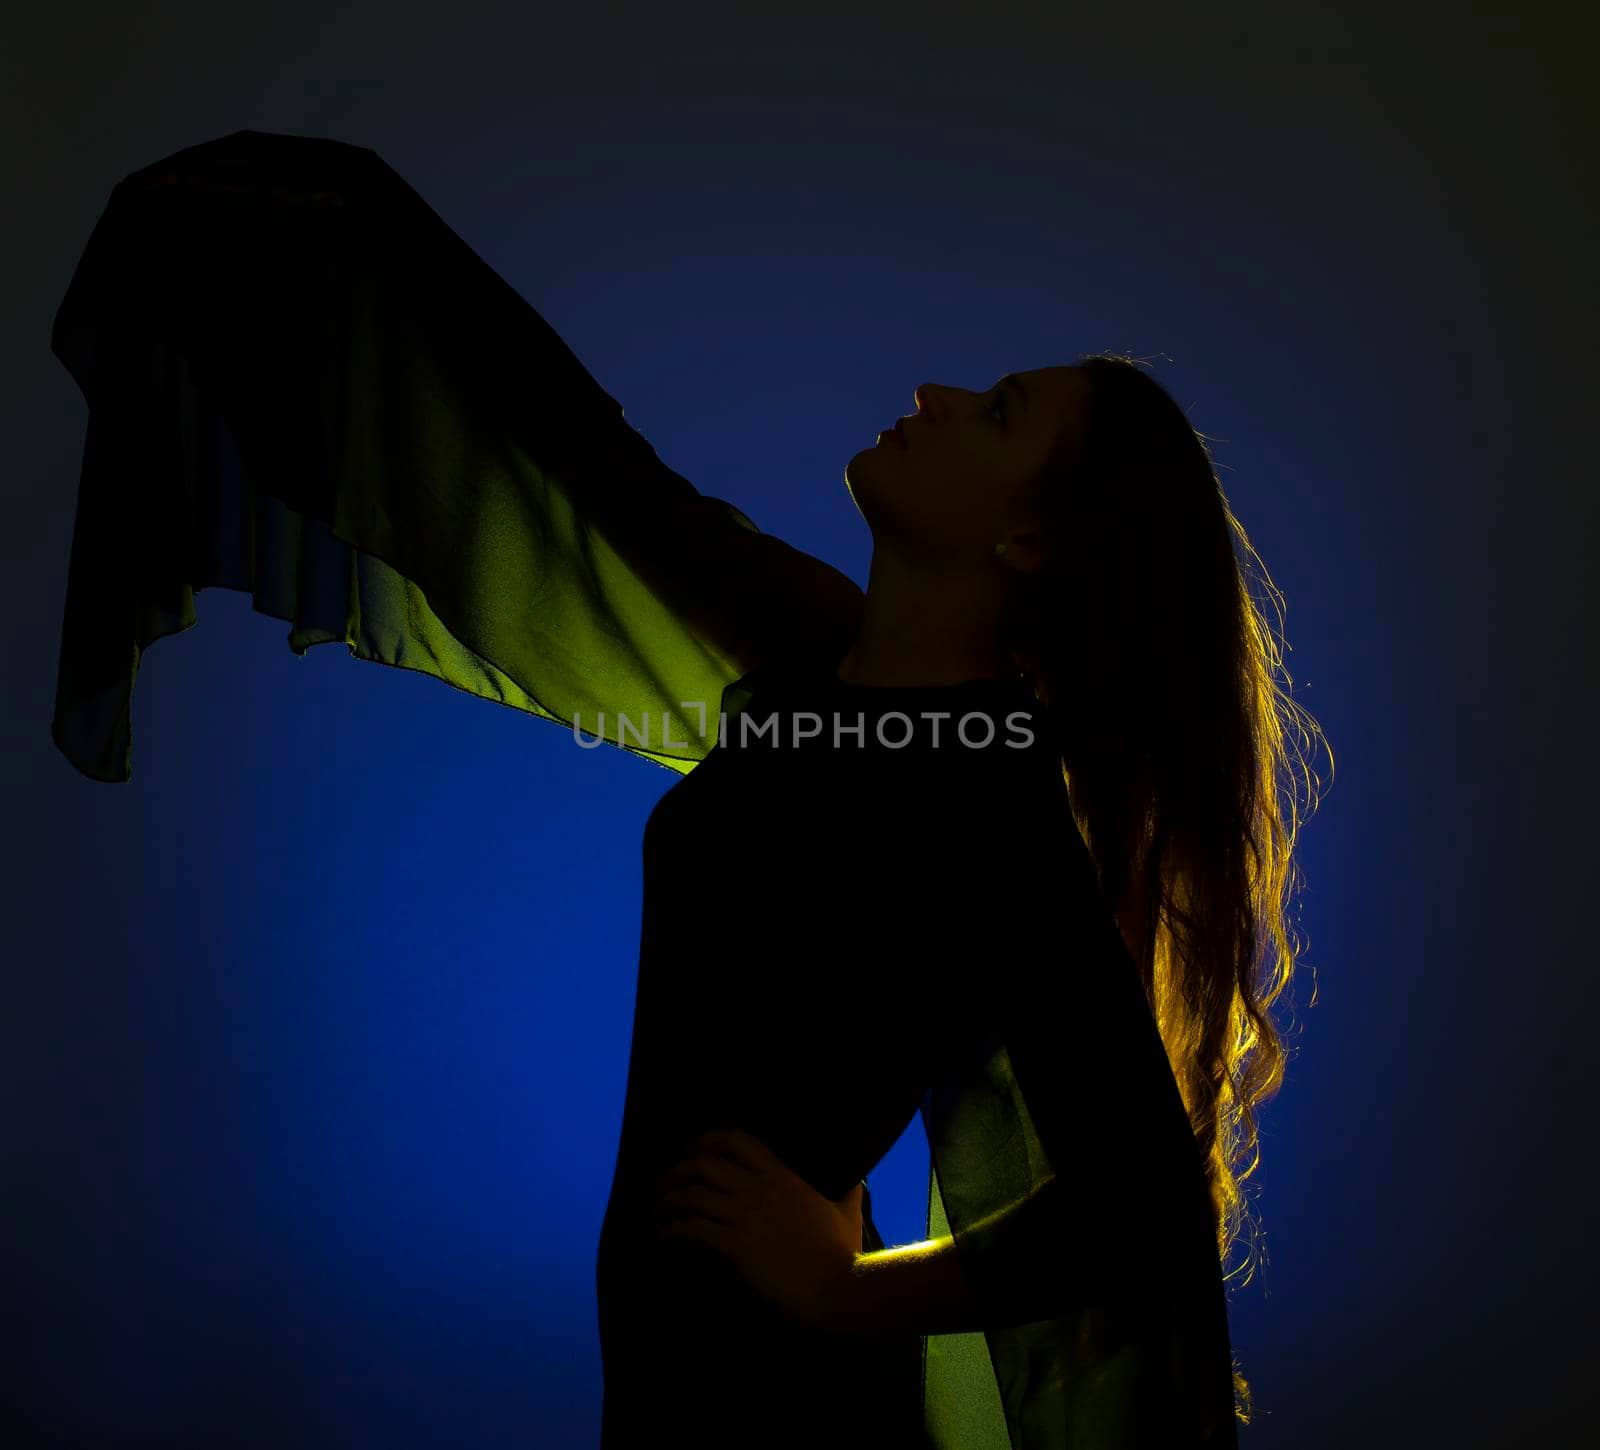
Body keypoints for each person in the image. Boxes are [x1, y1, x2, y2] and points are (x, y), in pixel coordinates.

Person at [49, 129, 1326, 1446]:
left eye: (997, 411)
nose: (939, 391)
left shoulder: (990, 800)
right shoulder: (807, 655)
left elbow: (1142, 1205)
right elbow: (575, 456)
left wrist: (852, 1289)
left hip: (783, 1402)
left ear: (1029, 538)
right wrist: (347, 214)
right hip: (669, 1381)